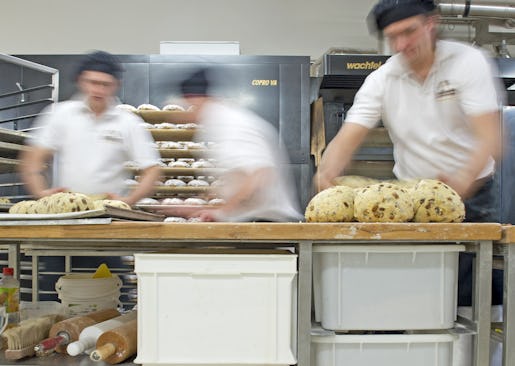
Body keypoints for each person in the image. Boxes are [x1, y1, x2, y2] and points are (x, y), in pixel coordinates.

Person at [313, 0, 504, 330]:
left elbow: (490, 136)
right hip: (409, 200)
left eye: (409, 32)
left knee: (466, 301)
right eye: (393, 37)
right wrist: (327, 171)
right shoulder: (384, 78)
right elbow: (350, 134)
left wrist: (462, 181)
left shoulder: (467, 63)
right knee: (416, 295)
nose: (402, 45)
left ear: (432, 23)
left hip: (472, 197)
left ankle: (470, 351)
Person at [158, 68, 303, 222]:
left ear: (195, 99)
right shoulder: (218, 121)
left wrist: (221, 211)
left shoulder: (229, 123)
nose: (182, 114)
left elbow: (261, 175)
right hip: (251, 221)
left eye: (185, 104)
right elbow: (239, 178)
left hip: (263, 222)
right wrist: (200, 205)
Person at [20, 51, 161, 205]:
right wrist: (41, 194)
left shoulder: (128, 122)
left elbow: (152, 170)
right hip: (66, 211)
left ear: (116, 85)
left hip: (109, 213)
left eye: (106, 84)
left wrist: (129, 200)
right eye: (93, 82)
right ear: (81, 81)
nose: (99, 90)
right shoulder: (60, 114)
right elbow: (32, 160)